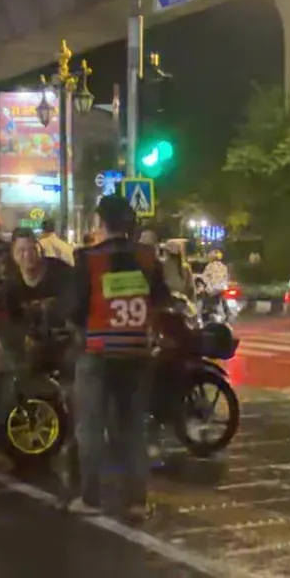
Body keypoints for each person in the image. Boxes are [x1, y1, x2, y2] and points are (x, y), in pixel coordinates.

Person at [65, 194, 170, 519]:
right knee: (132, 428)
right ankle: (137, 501)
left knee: (91, 427)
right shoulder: (148, 258)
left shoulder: (88, 259)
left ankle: (90, 499)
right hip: (136, 353)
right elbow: (162, 300)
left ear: (100, 222)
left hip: (97, 353)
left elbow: (74, 309)